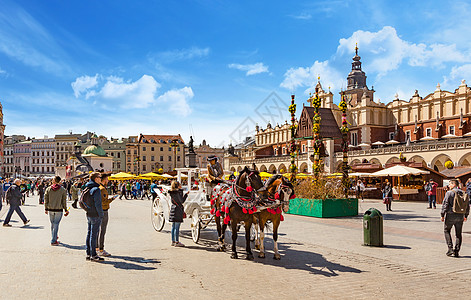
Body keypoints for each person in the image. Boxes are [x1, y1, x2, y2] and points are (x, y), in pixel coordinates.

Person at [441, 179, 469, 257]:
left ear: (454, 184)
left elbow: (445, 204)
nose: (449, 186)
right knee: (458, 234)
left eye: (450, 184)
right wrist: (466, 215)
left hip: (450, 215)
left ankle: (450, 249)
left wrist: (442, 214)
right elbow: (467, 205)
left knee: (447, 231)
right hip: (460, 215)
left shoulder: (449, 193)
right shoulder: (464, 193)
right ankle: (456, 251)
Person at [84, 172, 104, 262]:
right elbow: (98, 204)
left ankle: (88, 253)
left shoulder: (88, 187)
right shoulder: (96, 189)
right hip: (95, 214)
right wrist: (101, 214)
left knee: (89, 233)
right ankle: (93, 255)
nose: (101, 179)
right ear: (96, 178)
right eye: (100, 177)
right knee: (94, 235)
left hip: (89, 213)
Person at [44, 176, 69, 245]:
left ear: (54, 180)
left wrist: (46, 208)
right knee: (56, 224)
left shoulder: (48, 189)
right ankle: (53, 240)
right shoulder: (63, 190)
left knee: (52, 224)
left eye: (52, 179)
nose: (52, 180)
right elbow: (64, 201)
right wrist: (66, 209)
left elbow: (46, 199)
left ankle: (54, 237)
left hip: (50, 209)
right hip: (59, 209)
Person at [97, 173, 116, 257]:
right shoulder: (102, 189)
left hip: (98, 210)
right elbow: (104, 202)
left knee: (98, 230)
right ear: (104, 180)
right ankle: (101, 249)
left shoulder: (98, 188)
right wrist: (112, 199)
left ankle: (97, 248)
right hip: (103, 211)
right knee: (102, 230)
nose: (108, 181)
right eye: (107, 179)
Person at [169, 180, 188, 247]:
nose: (181, 185)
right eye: (180, 184)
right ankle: (177, 242)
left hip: (173, 208)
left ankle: (173, 241)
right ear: (178, 185)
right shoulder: (178, 193)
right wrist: (186, 195)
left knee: (173, 227)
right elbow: (182, 201)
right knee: (177, 227)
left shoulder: (172, 192)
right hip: (178, 210)